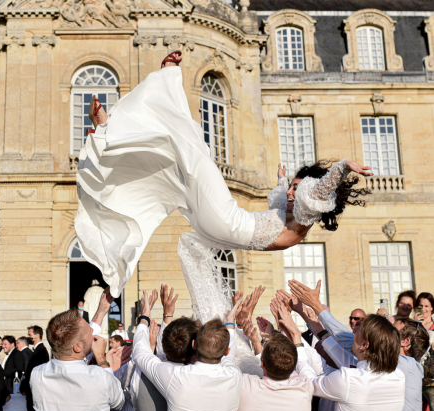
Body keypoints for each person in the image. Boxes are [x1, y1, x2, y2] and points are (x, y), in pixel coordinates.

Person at [75, 50, 372, 301]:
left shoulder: (308, 213)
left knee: (195, 151)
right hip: (216, 229)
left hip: (228, 222)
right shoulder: (293, 221)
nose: (292, 194)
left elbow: (319, 191)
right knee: (175, 164)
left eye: (297, 189)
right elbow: (281, 203)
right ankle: (111, 134)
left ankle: (153, 91)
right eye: (292, 189)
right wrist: (283, 183)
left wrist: (343, 166)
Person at [133, 289, 243, 411]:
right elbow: (230, 351)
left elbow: (140, 354)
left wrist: (144, 319)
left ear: (194, 344)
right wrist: (230, 322)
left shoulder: (178, 377)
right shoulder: (234, 376)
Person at [287, 307, 406, 411]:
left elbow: (309, 383)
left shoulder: (349, 379)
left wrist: (297, 342)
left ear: (364, 345)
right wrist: (319, 329)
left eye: (358, 331)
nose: (353, 332)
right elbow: (348, 361)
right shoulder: (398, 377)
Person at [30, 308, 125, 411]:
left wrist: (101, 311)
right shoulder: (99, 376)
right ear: (77, 347)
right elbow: (118, 402)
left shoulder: (37, 375)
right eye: (90, 332)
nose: (94, 335)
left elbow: (73, 363)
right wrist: (102, 359)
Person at [234, 316, 313, 411]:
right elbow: (301, 365)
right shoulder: (304, 387)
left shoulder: (245, 385)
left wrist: (237, 326)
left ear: (262, 363)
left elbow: (229, 364)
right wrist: (292, 336)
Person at [21, 324, 49, 411]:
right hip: (34, 392)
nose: (28, 337)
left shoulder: (41, 351)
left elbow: (33, 373)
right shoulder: (38, 351)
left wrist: (24, 386)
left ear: (37, 335)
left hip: (35, 393)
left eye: (30, 334)